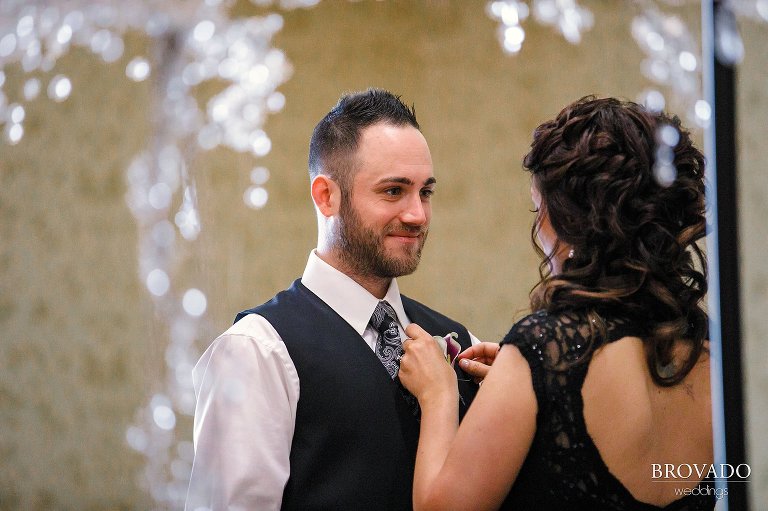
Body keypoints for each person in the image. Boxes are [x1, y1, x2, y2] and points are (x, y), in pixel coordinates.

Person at [399, 96, 715, 510]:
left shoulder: (547, 346)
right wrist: (529, 391)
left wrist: (438, 397)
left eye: (539, 208)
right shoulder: (706, 350)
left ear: (572, 218)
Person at [185, 88, 479, 511]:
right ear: (326, 196)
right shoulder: (256, 351)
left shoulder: (460, 342)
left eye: (425, 192)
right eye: (394, 191)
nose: (417, 214)